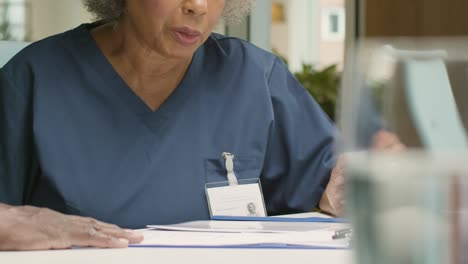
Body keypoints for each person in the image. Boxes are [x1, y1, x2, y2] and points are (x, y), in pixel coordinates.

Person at [0, 0, 404, 250]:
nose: (198, 5)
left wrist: (357, 184)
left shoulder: (254, 76)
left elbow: (325, 186)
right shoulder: (33, 80)